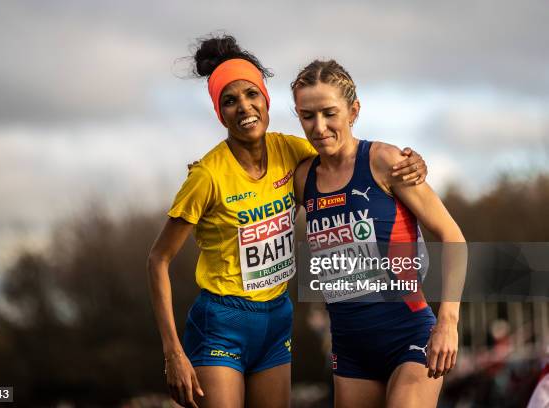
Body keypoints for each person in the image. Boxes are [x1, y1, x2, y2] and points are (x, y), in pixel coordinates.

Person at [147, 35, 428, 408]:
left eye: (251, 95)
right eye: (229, 101)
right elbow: (158, 259)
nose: (244, 107)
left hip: (276, 318)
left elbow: (345, 155)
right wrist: (173, 353)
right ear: (220, 113)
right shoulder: (206, 176)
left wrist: (412, 164)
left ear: (266, 99)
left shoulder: (292, 151)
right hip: (223, 321)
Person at [292, 60, 466, 408]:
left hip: (409, 336)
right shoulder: (302, 178)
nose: (319, 127)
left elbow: (453, 236)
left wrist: (448, 321)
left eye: (330, 113)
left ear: (353, 110)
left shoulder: (385, 161)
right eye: (307, 115)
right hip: (349, 348)